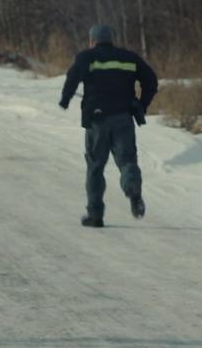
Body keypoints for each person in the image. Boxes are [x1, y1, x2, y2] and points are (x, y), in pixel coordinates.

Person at [59, 25, 158, 228]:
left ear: (93, 40)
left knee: (95, 167)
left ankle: (95, 216)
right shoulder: (129, 57)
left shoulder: (87, 56)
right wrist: (142, 103)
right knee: (127, 160)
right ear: (111, 39)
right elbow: (151, 80)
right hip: (123, 116)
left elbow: (73, 77)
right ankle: (132, 187)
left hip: (97, 119)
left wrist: (65, 99)